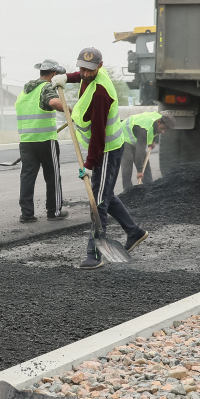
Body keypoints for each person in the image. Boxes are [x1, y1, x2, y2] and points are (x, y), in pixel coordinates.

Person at [50, 48, 148, 269]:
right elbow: (81, 76)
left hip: (107, 150)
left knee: (99, 201)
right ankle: (135, 232)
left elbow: (98, 134)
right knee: (105, 194)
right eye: (81, 69)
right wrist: (66, 78)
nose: (84, 73)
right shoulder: (87, 75)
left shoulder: (101, 94)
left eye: (89, 70)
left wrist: (89, 164)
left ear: (100, 67)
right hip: (103, 149)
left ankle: (94, 254)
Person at [16, 59, 69, 223]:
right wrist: (70, 110)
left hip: (26, 141)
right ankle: (54, 212)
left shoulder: (25, 92)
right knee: (52, 176)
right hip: (46, 141)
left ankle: (27, 214)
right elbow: (53, 102)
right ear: (53, 74)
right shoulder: (46, 87)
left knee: (27, 177)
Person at [120, 111, 176, 192]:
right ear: (159, 122)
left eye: (165, 129)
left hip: (136, 137)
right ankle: (127, 191)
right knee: (127, 164)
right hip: (124, 137)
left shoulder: (158, 119)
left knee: (145, 166)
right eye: (163, 128)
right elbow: (140, 151)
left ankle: (150, 188)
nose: (163, 132)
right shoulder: (144, 129)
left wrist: (154, 140)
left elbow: (155, 130)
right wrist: (139, 171)